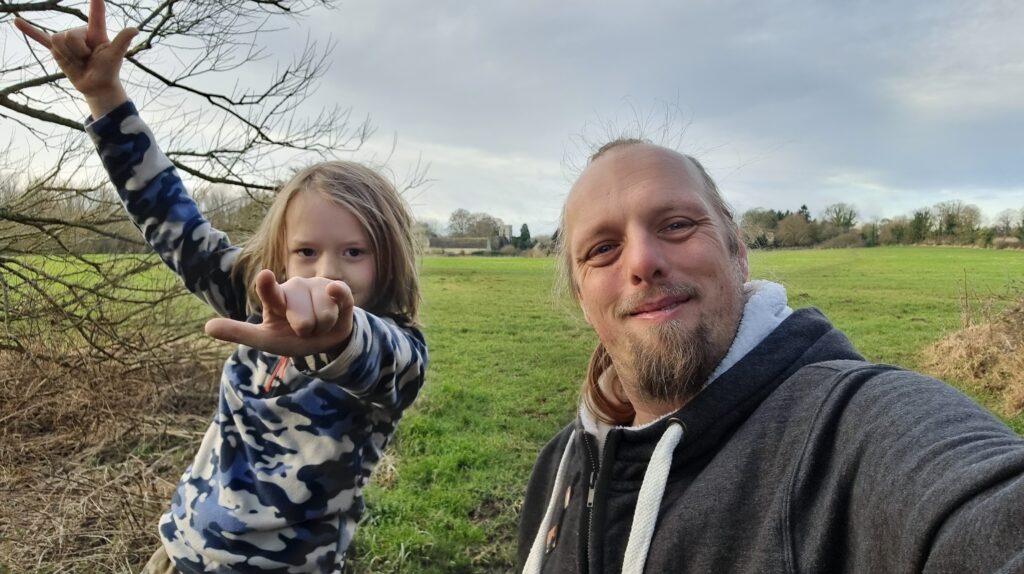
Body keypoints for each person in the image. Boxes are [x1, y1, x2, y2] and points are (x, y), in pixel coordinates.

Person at [15, 3, 427, 572]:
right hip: (178, 552)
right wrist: (104, 99)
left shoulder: (395, 357)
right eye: (306, 251)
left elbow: (377, 353)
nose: (326, 270)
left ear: (390, 260)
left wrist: (339, 333)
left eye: (354, 252)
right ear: (281, 255)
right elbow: (172, 219)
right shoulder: (259, 298)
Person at [517, 139, 1024, 574]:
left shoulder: (854, 429)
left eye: (675, 225)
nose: (644, 261)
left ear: (738, 252)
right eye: (603, 249)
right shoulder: (559, 466)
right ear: (583, 299)